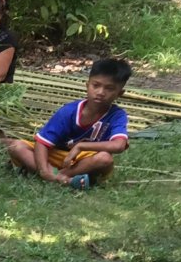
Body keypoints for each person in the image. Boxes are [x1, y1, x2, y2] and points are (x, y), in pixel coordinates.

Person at [7, 57, 131, 189]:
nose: (100, 92)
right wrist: (43, 169)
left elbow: (119, 145)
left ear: (120, 93)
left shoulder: (117, 115)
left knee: (104, 159)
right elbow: (42, 143)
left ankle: (59, 177)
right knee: (17, 146)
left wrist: (81, 147)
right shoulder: (69, 111)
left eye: (109, 88)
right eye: (96, 85)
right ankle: (57, 178)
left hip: (85, 160)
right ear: (87, 85)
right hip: (56, 155)